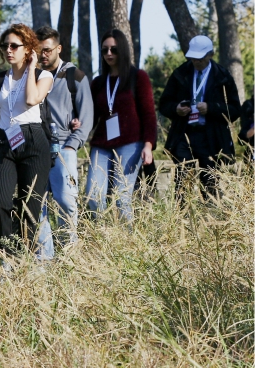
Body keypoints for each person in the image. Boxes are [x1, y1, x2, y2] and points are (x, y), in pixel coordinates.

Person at [0, 24, 54, 257]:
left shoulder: (43, 75)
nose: (8, 50)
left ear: (28, 49)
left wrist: (32, 67)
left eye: (15, 45)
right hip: (6, 140)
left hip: (34, 140)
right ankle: (7, 255)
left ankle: (27, 260)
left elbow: (32, 98)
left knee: (30, 208)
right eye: (5, 45)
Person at [157, 35, 240, 200]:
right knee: (182, 180)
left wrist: (212, 108)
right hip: (184, 134)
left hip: (210, 137)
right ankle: (181, 219)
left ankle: (210, 219)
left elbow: (234, 110)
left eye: (200, 58)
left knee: (209, 182)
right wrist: (176, 109)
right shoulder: (180, 74)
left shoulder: (223, 76)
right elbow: (164, 104)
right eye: (193, 58)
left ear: (210, 54)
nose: (196, 62)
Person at [85, 29, 155, 222]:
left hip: (131, 144)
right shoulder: (99, 82)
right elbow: (91, 116)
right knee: (93, 195)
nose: (109, 54)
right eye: (105, 50)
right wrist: (78, 125)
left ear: (123, 51)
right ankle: (102, 239)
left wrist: (148, 145)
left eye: (114, 50)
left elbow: (149, 114)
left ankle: (127, 243)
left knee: (121, 198)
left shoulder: (138, 77)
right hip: (102, 144)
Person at [34, 26, 93, 255]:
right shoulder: (31, 74)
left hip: (63, 148)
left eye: (47, 50)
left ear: (58, 48)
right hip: (36, 148)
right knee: (38, 204)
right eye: (39, 50)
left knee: (66, 203)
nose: (43, 55)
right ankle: (44, 258)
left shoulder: (73, 76)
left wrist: (71, 145)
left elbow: (86, 116)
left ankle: (70, 254)